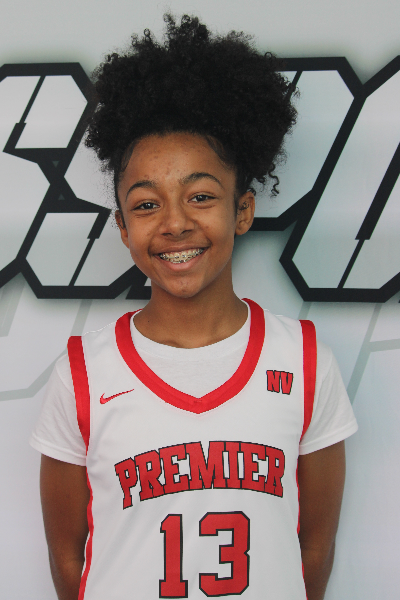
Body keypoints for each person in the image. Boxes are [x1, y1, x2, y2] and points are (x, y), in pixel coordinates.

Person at [30, 14, 358, 600]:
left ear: (242, 210)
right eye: (146, 204)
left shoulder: (306, 363)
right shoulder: (82, 375)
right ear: (123, 228)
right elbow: (67, 556)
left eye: (201, 196)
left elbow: (313, 548)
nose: (175, 223)